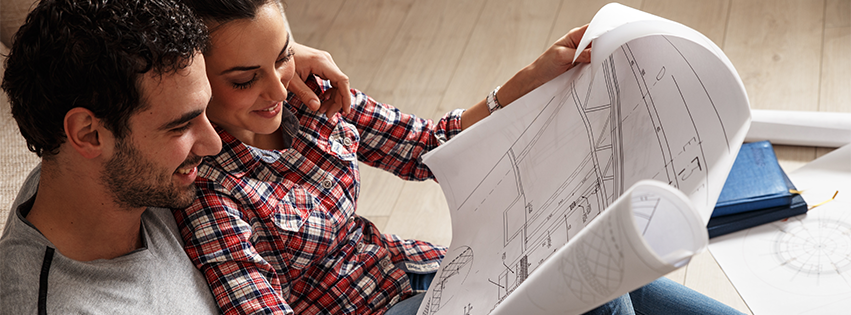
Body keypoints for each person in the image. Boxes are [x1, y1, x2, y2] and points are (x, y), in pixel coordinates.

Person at [173, 0, 747, 314]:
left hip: (421, 272)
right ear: (194, 78)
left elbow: (425, 147)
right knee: (593, 295)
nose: (277, 90)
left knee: (619, 271)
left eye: (281, 57)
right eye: (245, 80)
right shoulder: (212, 193)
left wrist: (531, 78)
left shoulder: (313, 98)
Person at [0, 0, 219, 312]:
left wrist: (276, 59)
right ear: (88, 134)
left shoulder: (83, 172)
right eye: (181, 126)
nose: (214, 144)